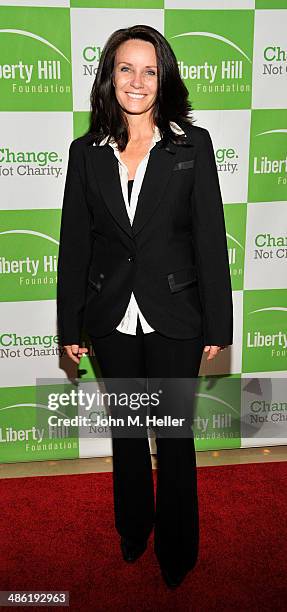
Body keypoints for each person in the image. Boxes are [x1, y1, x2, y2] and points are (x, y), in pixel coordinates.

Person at [57, 24, 233, 589]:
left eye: (149, 70)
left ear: (165, 77)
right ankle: (133, 531)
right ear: (110, 76)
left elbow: (210, 237)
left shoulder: (191, 144)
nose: (137, 81)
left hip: (177, 318)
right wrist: (70, 323)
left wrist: (218, 321)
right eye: (126, 69)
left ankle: (178, 550)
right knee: (129, 434)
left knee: (174, 436)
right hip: (110, 318)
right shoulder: (85, 154)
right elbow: (76, 244)